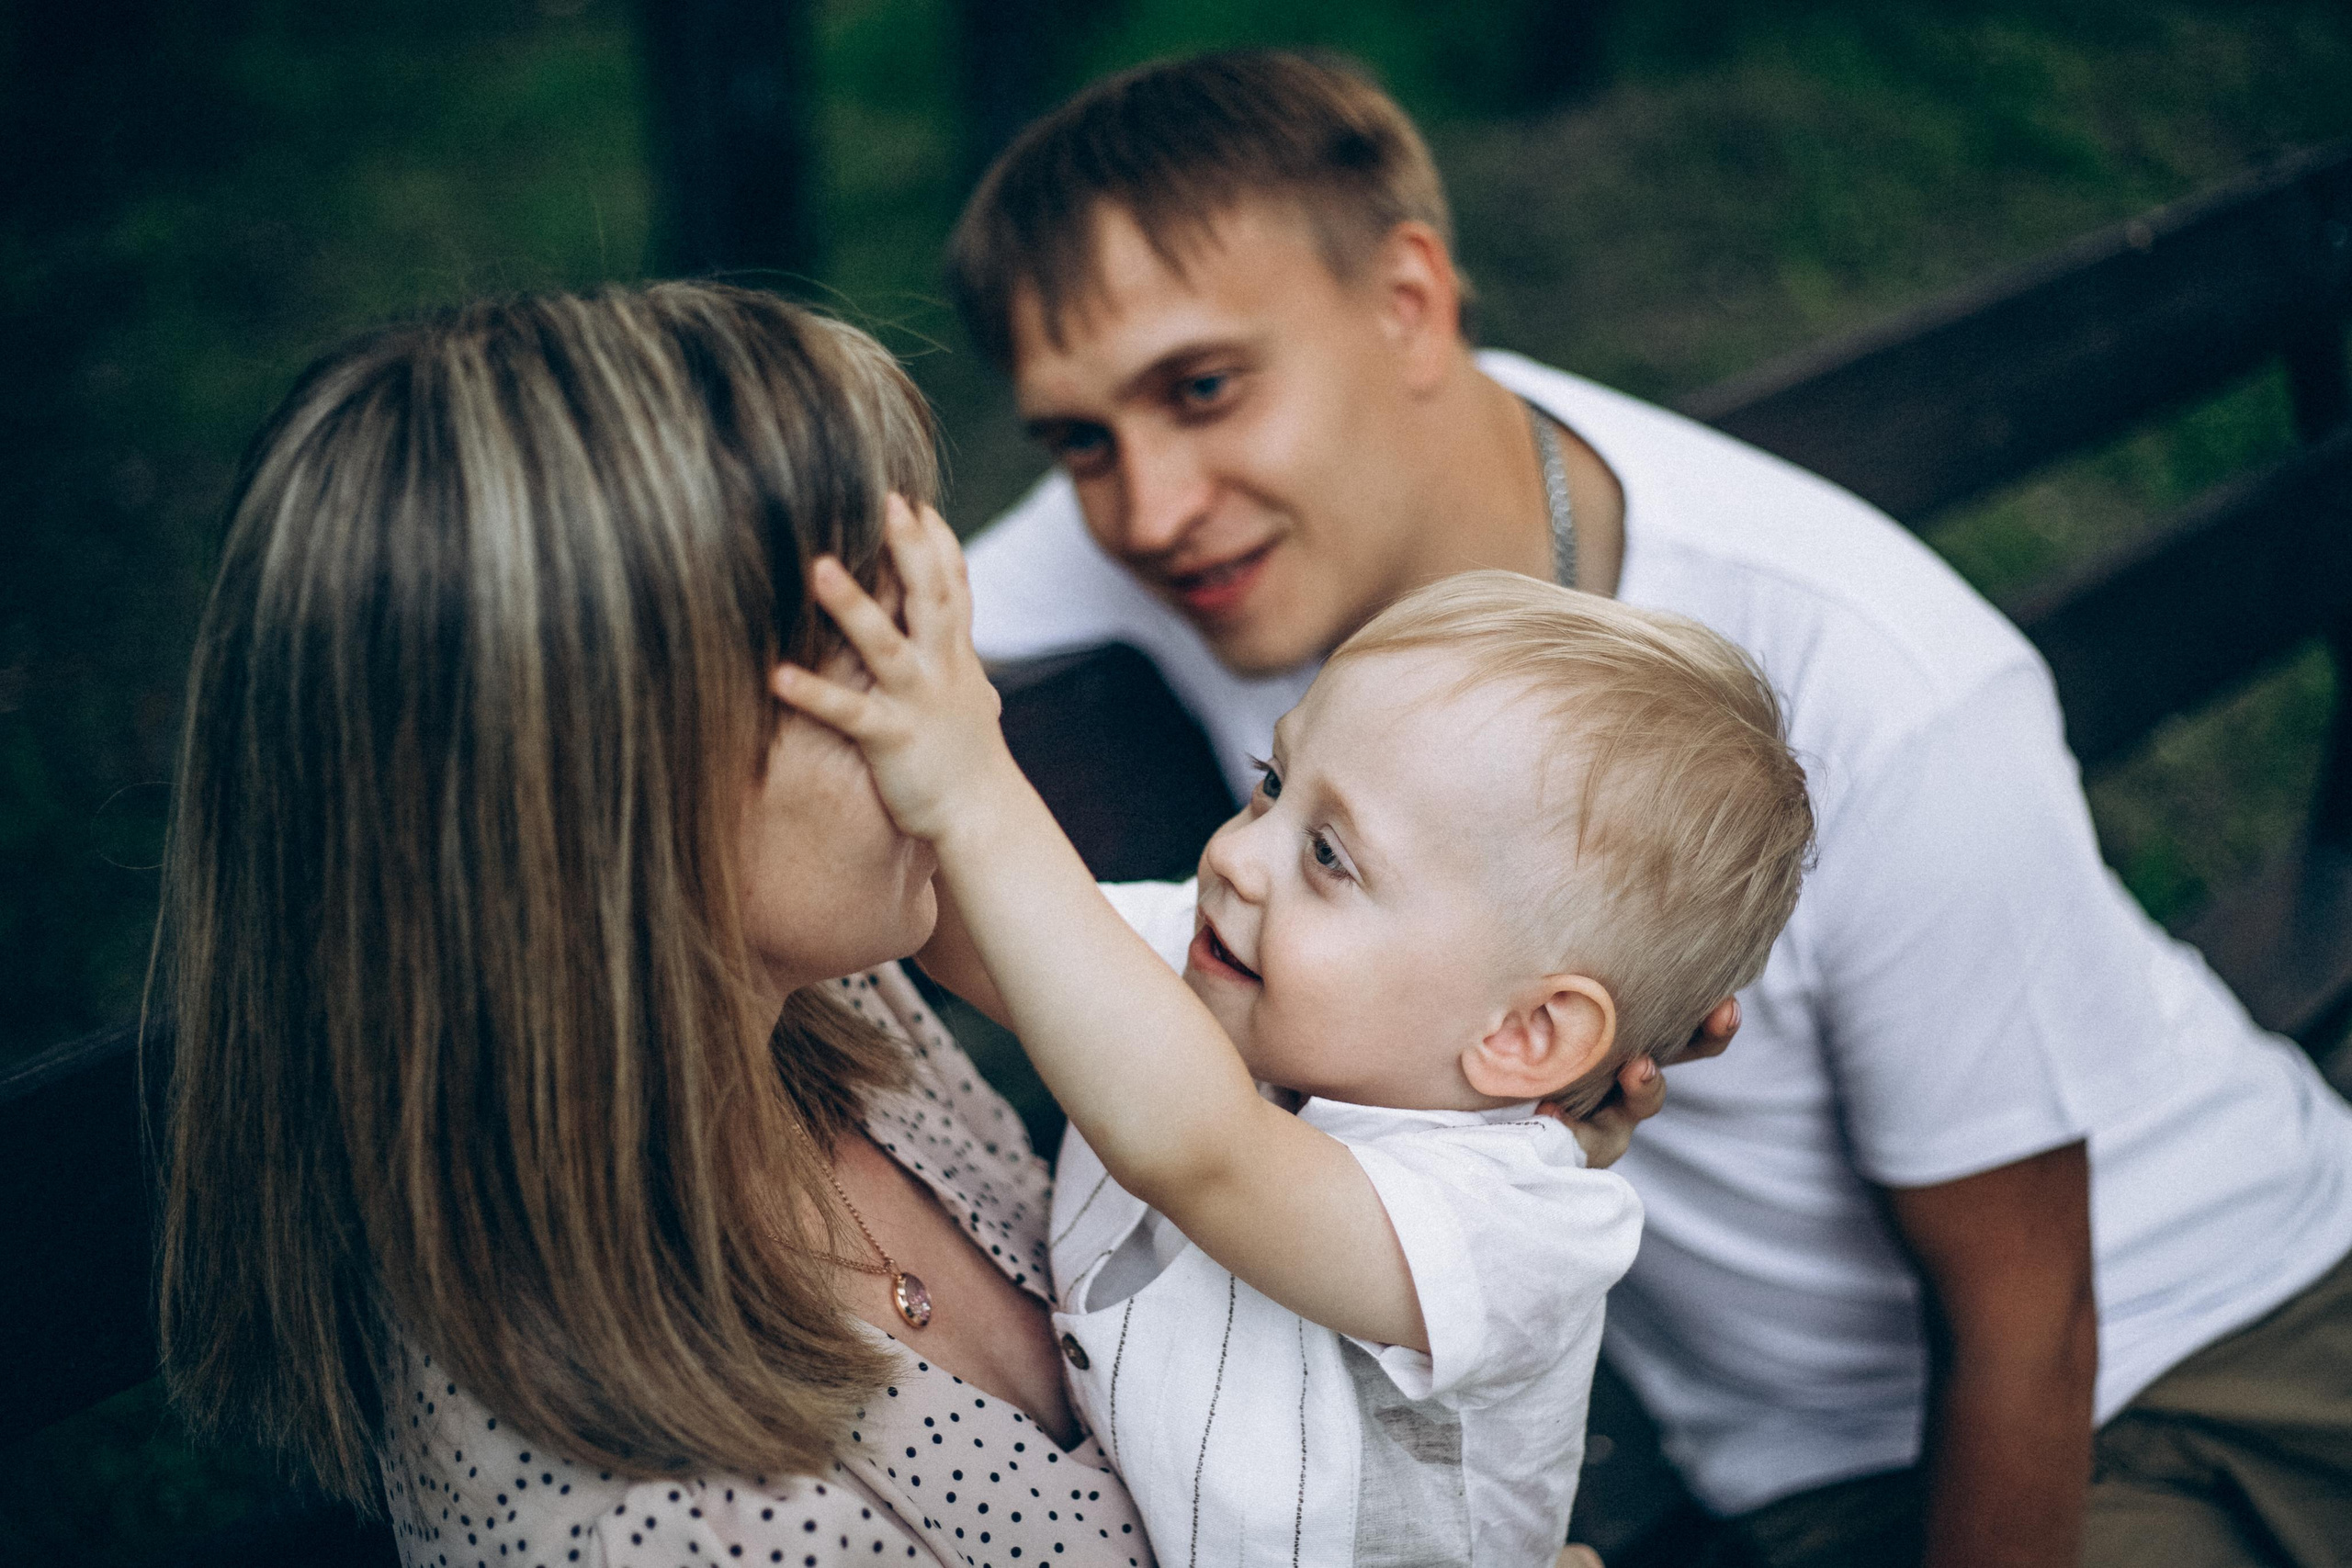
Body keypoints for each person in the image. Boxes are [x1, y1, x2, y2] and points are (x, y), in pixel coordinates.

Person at [944, 50, 2352, 1568]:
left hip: (2210, 1330)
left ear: (1409, 300)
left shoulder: (1871, 680)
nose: (1145, 509)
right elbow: (823, 645)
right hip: (1804, 1455)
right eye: (1080, 442)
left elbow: (2032, 1322)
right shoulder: (1192, 531)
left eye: (1203, 387)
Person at [153, 283, 1168, 1567]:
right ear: (611, 791)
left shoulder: (819, 985)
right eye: (866, 646)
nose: (954, 707)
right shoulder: (662, 1525)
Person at [778, 542, 1814, 1565]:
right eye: (1272, 783)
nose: (1234, 851)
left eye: (1328, 855)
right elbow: (994, 942)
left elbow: (1200, 1150)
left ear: (1523, 1034)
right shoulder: (1216, 967)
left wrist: (970, 784)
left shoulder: (1513, 1221)